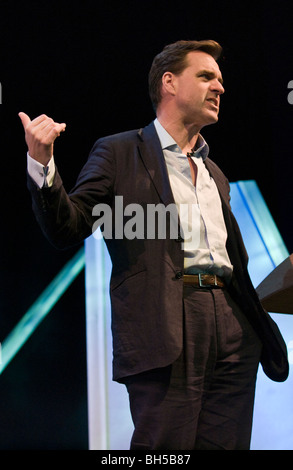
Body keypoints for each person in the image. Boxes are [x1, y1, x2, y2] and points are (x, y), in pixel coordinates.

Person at [19, 39, 288, 450]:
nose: (220, 87)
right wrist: (42, 163)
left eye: (220, 79)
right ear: (169, 83)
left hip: (234, 327)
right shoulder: (120, 152)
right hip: (166, 323)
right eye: (206, 76)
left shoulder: (214, 171)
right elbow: (67, 228)